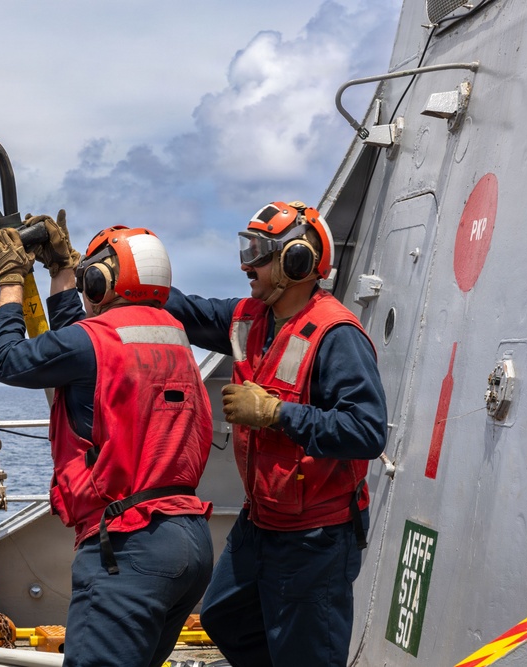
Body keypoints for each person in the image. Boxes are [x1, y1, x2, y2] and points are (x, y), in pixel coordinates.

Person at [0, 213, 215, 667]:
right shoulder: (173, 336)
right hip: (188, 539)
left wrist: (10, 281)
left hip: (130, 547)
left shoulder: (95, 341)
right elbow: (79, 338)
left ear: (101, 280)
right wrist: (60, 271)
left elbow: (4, 359)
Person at [165, 201, 388, 667]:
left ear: (298, 260)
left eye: (260, 254)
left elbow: (366, 431)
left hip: (316, 537)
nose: (247, 265)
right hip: (263, 522)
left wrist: (276, 414)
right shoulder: (251, 318)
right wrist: (120, 276)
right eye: (246, 250)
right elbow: (186, 310)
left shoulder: (336, 335)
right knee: (225, 614)